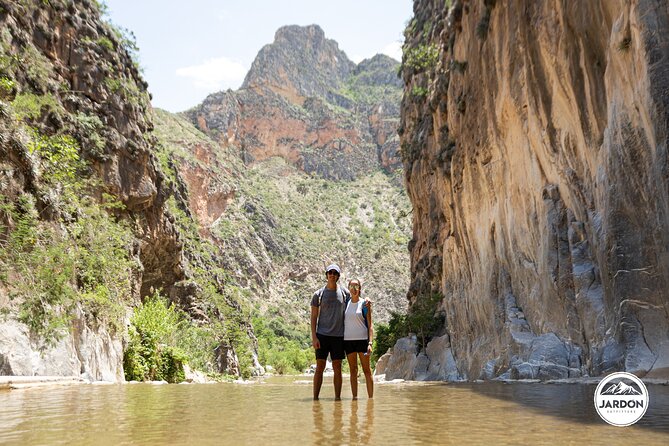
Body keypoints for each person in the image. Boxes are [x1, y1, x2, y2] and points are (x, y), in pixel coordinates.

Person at [311, 263, 348, 400]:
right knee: (320, 367)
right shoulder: (318, 295)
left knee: (337, 367)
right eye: (330, 272)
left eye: (335, 273)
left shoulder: (345, 293)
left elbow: (354, 306)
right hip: (322, 335)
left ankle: (337, 399)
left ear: (338, 276)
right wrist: (314, 337)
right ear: (326, 275)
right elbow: (314, 316)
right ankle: (315, 399)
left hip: (338, 336)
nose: (332, 275)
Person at [343, 279, 374, 399]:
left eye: (356, 286)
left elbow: (370, 325)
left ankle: (371, 400)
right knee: (353, 371)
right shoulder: (345, 303)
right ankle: (354, 398)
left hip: (362, 341)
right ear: (349, 288)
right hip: (348, 341)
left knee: (367, 370)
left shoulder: (364, 304)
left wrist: (370, 342)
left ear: (360, 288)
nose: (354, 288)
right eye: (351, 286)